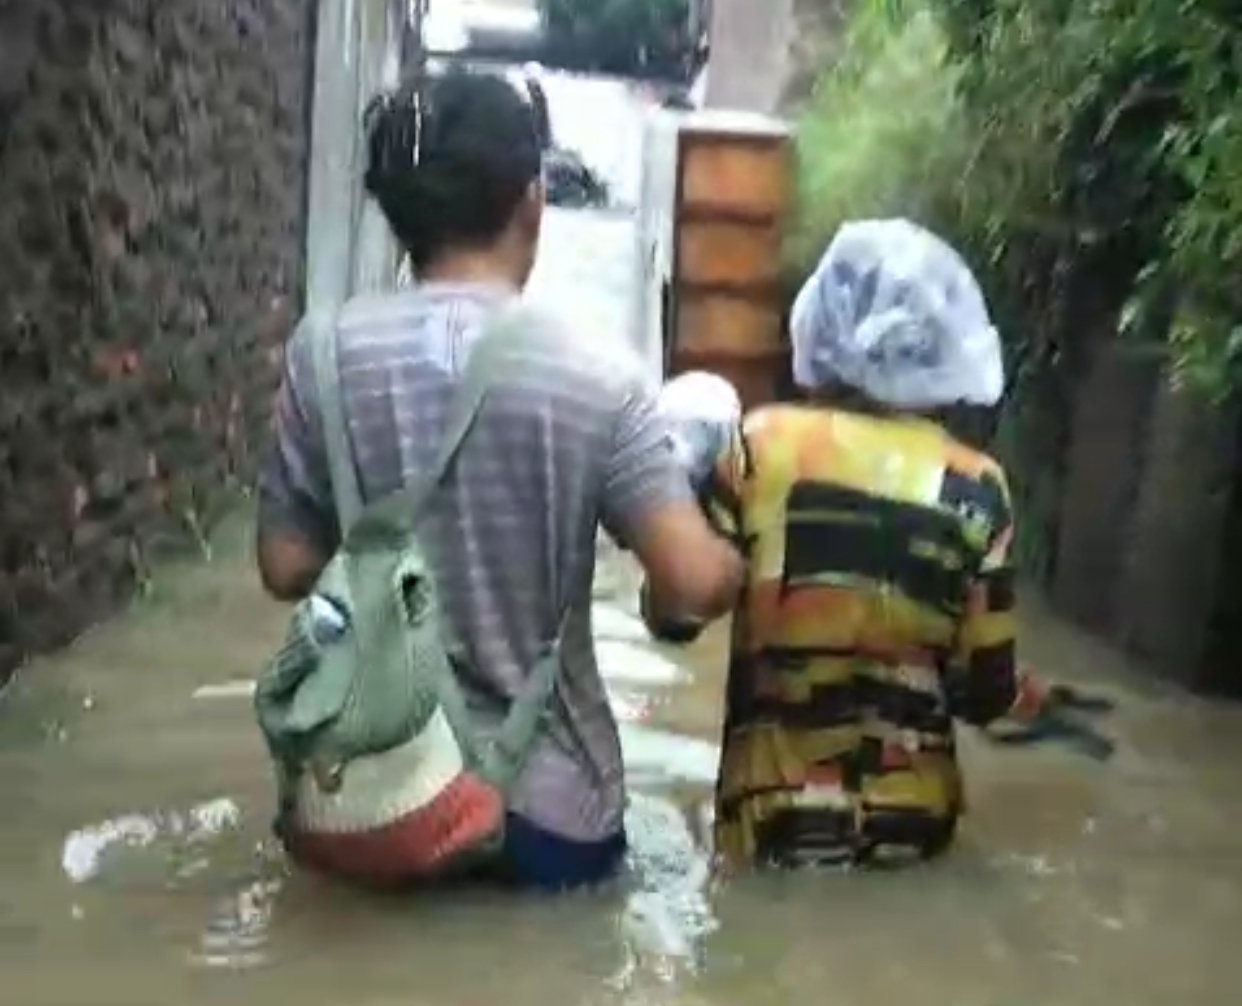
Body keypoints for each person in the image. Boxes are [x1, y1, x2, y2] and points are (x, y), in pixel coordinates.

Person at [256, 67, 743, 890]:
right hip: (553, 816)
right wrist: (728, 546)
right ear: (532, 201)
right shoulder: (598, 377)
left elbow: (285, 565)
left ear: (400, 211)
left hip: (372, 799)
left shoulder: (323, 355)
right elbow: (691, 584)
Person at [646, 219, 1050, 871]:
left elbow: (674, 615)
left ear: (822, 324)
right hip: (916, 830)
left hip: (774, 824)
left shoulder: (760, 447)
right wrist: (1032, 699)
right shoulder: (979, 488)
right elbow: (983, 695)